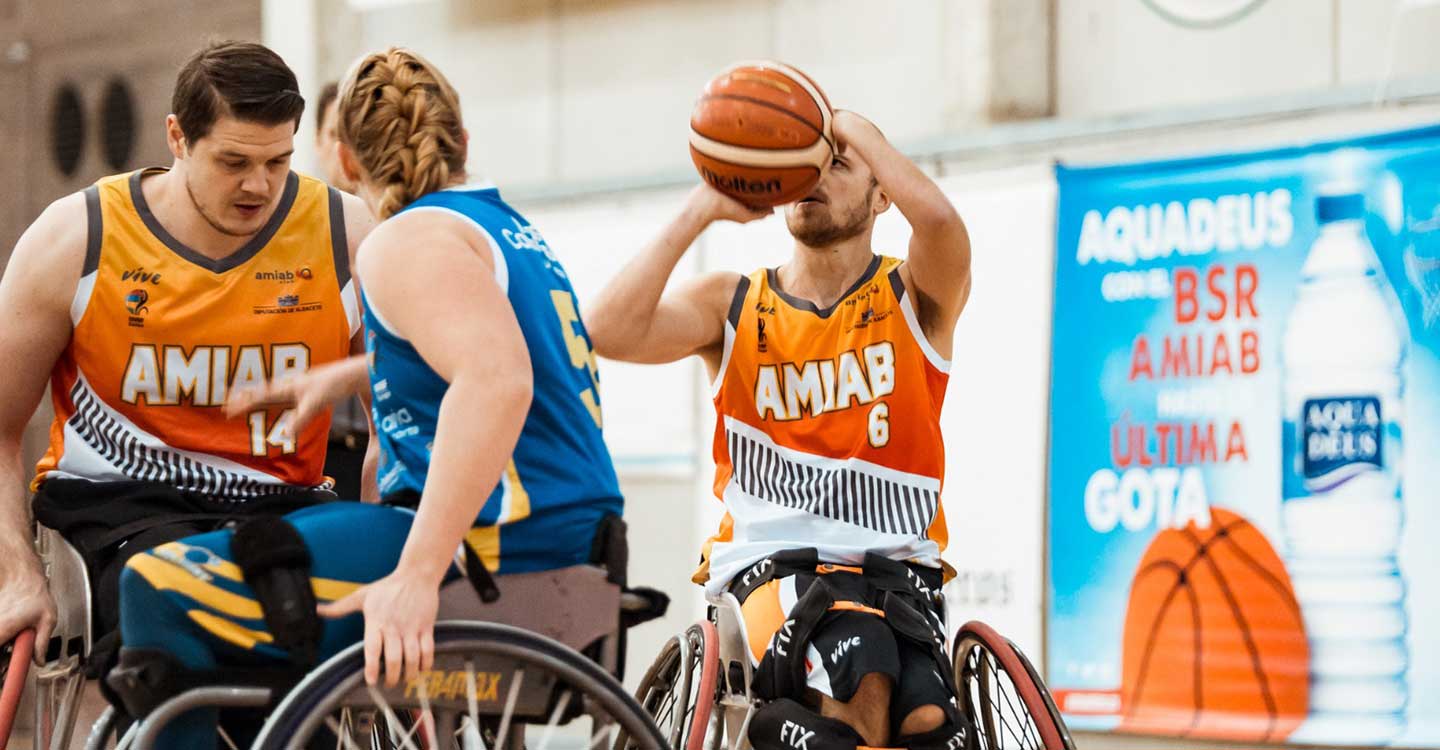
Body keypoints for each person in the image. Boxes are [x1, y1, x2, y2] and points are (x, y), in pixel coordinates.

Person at [114, 46, 624, 748]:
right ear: (463, 143)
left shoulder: (402, 242)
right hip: (574, 549)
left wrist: (415, 577)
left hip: (492, 555)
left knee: (158, 587)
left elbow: (498, 379)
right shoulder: (507, 229)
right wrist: (348, 376)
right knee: (270, 562)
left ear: (346, 162)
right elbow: (499, 356)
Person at [584, 108, 973, 749]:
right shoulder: (733, 303)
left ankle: (779, 730)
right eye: (807, 166)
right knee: (863, 666)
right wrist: (702, 209)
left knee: (928, 722)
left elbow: (940, 223)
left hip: (898, 574)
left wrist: (852, 130)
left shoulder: (914, 293)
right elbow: (604, 331)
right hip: (771, 571)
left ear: (883, 194)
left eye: (838, 165)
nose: (816, 177)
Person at [0, 41, 373, 674]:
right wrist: (17, 572)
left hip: (282, 510)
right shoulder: (77, 237)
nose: (258, 185)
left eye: (277, 161)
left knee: (309, 624)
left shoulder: (345, 232)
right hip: (123, 507)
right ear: (177, 137)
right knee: (180, 607)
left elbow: (402, 414)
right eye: (233, 161)